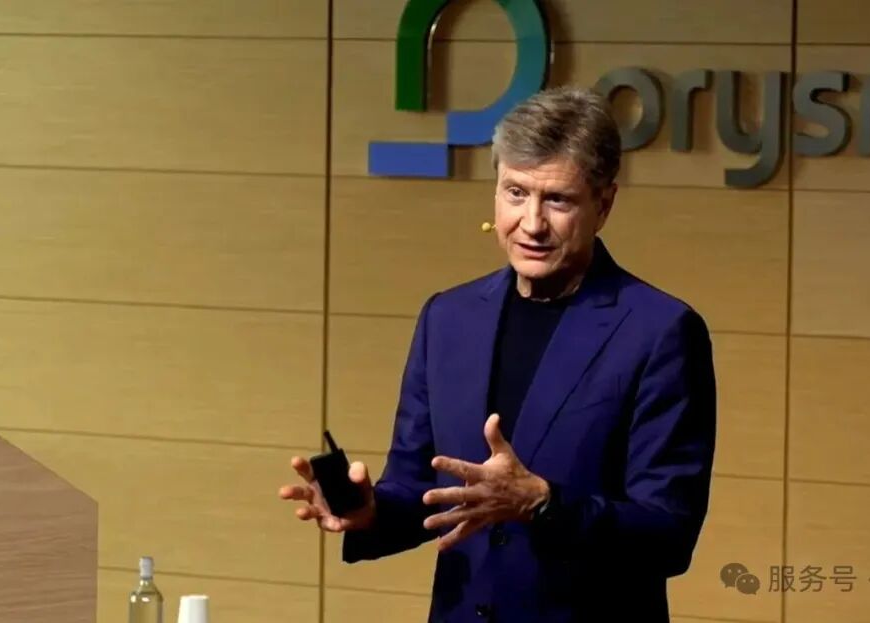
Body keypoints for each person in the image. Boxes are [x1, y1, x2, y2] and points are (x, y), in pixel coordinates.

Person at [279, 86, 716, 622]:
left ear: (603, 205)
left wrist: (543, 504)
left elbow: (669, 532)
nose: (531, 223)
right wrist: (369, 511)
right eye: (515, 193)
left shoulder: (660, 332)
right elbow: (419, 487)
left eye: (557, 200)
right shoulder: (448, 317)